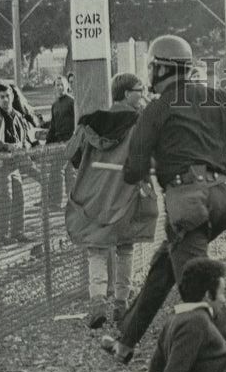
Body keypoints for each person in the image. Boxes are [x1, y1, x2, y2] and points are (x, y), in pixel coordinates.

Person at [100, 35, 226, 364]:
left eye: (151, 66)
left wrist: (144, 170)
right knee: (163, 269)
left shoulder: (156, 110)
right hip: (221, 201)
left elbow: (133, 169)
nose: (149, 74)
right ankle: (125, 342)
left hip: (188, 206)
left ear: (161, 68)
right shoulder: (217, 96)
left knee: (197, 285)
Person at [66, 72, 158, 329]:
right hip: (125, 195)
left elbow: (72, 155)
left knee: (96, 250)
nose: (143, 94)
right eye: (140, 90)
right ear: (127, 93)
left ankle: (97, 303)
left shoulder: (91, 121)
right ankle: (121, 304)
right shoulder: (140, 122)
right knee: (125, 248)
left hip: (94, 194)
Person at [0, 83, 35, 245]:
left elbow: (26, 138)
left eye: (7, 96)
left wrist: (24, 145)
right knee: (5, 198)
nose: (5, 99)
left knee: (19, 198)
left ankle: (18, 232)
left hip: (15, 163)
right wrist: (4, 146)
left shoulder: (17, 115)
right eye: (1, 97)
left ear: (12, 96)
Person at [47, 75, 77, 210]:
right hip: (58, 142)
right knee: (62, 171)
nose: (59, 87)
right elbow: (53, 127)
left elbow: (77, 122)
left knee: (62, 171)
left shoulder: (72, 102)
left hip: (70, 141)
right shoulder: (54, 105)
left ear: (67, 86)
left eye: (62, 85)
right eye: (57, 85)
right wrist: (48, 143)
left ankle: (61, 201)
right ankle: (59, 201)